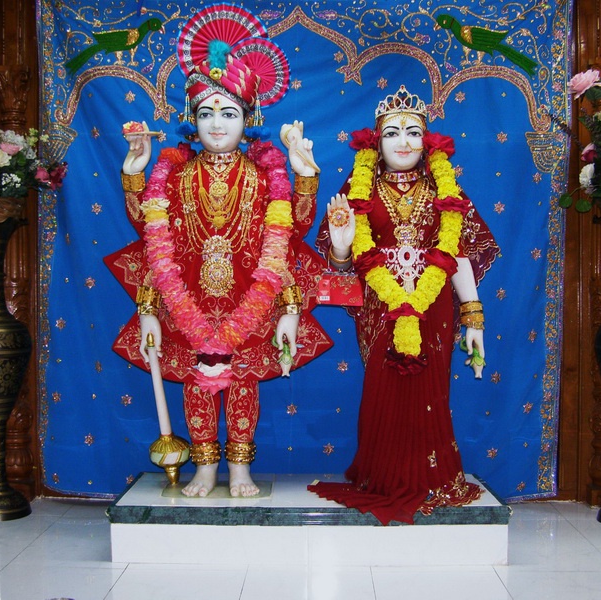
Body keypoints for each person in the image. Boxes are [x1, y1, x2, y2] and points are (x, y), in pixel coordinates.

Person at [107, 4, 331, 498]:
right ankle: (206, 468)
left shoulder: (265, 177)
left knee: (243, 382)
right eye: (206, 113)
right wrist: (134, 173)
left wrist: (304, 177)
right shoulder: (174, 175)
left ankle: (241, 469)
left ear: (249, 120)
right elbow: (152, 238)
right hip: (185, 300)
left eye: (228, 113)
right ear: (191, 119)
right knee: (197, 383)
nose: (216, 124)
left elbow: (288, 236)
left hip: (251, 301)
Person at [308, 85, 500, 525]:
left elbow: (458, 254)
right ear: (376, 142)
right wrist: (341, 247)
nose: (403, 142)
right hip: (381, 306)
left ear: (426, 141)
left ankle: (434, 478)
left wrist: (473, 316)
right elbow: (341, 267)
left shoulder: (444, 188)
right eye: (392, 133)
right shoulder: (359, 188)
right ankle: (382, 476)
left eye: (413, 132)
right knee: (384, 387)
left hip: (434, 306)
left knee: (431, 390)